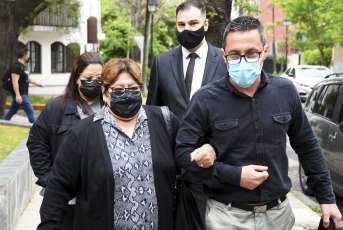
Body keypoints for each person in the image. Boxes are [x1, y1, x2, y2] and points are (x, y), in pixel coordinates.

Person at [175, 16, 342, 230]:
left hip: (278, 216)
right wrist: (235, 175)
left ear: (264, 51)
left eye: (252, 53)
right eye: (235, 54)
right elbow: (182, 153)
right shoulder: (205, 98)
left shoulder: (285, 91)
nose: (243, 60)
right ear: (224, 55)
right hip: (226, 217)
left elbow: (308, 147)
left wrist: (326, 199)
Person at [37, 58, 214, 229]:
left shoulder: (164, 121)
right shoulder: (83, 133)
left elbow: (191, 152)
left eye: (133, 88)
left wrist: (208, 148)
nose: (127, 94)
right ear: (105, 93)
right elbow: (57, 190)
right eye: (119, 89)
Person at [146, 1, 227, 220]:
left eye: (193, 23)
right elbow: (153, 111)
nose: (187, 29)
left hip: (212, 164)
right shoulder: (161, 62)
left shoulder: (224, 60)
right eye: (181, 24)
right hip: (170, 165)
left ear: (206, 24)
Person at [27, 52, 105, 230]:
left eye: (99, 77)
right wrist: (50, 180)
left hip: (99, 197)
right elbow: (36, 143)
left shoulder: (111, 108)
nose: (94, 81)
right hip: (63, 200)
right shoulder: (56, 108)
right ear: (77, 78)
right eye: (88, 77)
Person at [4, 47, 44, 123]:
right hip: (21, 94)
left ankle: (3, 123)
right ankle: (35, 129)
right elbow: (14, 81)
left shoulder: (23, 67)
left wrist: (38, 84)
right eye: (28, 54)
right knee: (30, 110)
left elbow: (28, 78)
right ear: (24, 56)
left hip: (22, 93)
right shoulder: (17, 66)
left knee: (12, 111)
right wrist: (18, 95)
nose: (29, 56)